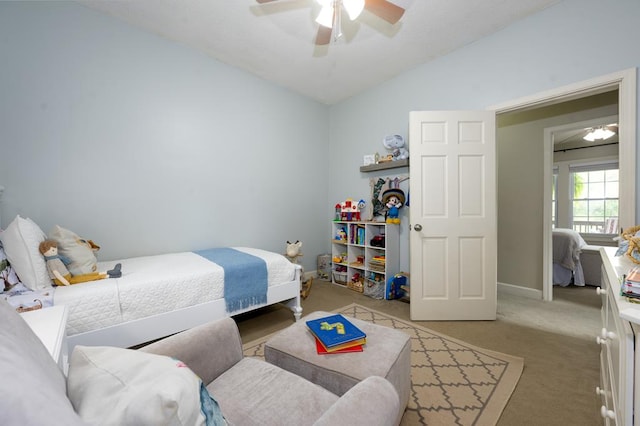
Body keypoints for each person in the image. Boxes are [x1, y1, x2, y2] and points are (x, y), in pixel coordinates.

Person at [39, 239, 121, 286]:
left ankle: (110, 272)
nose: (55, 251)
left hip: (68, 277)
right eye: (53, 250)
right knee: (85, 278)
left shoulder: (56, 258)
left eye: (55, 249)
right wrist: (66, 283)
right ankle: (108, 276)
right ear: (45, 252)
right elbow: (56, 273)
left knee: (85, 275)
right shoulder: (51, 262)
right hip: (64, 280)